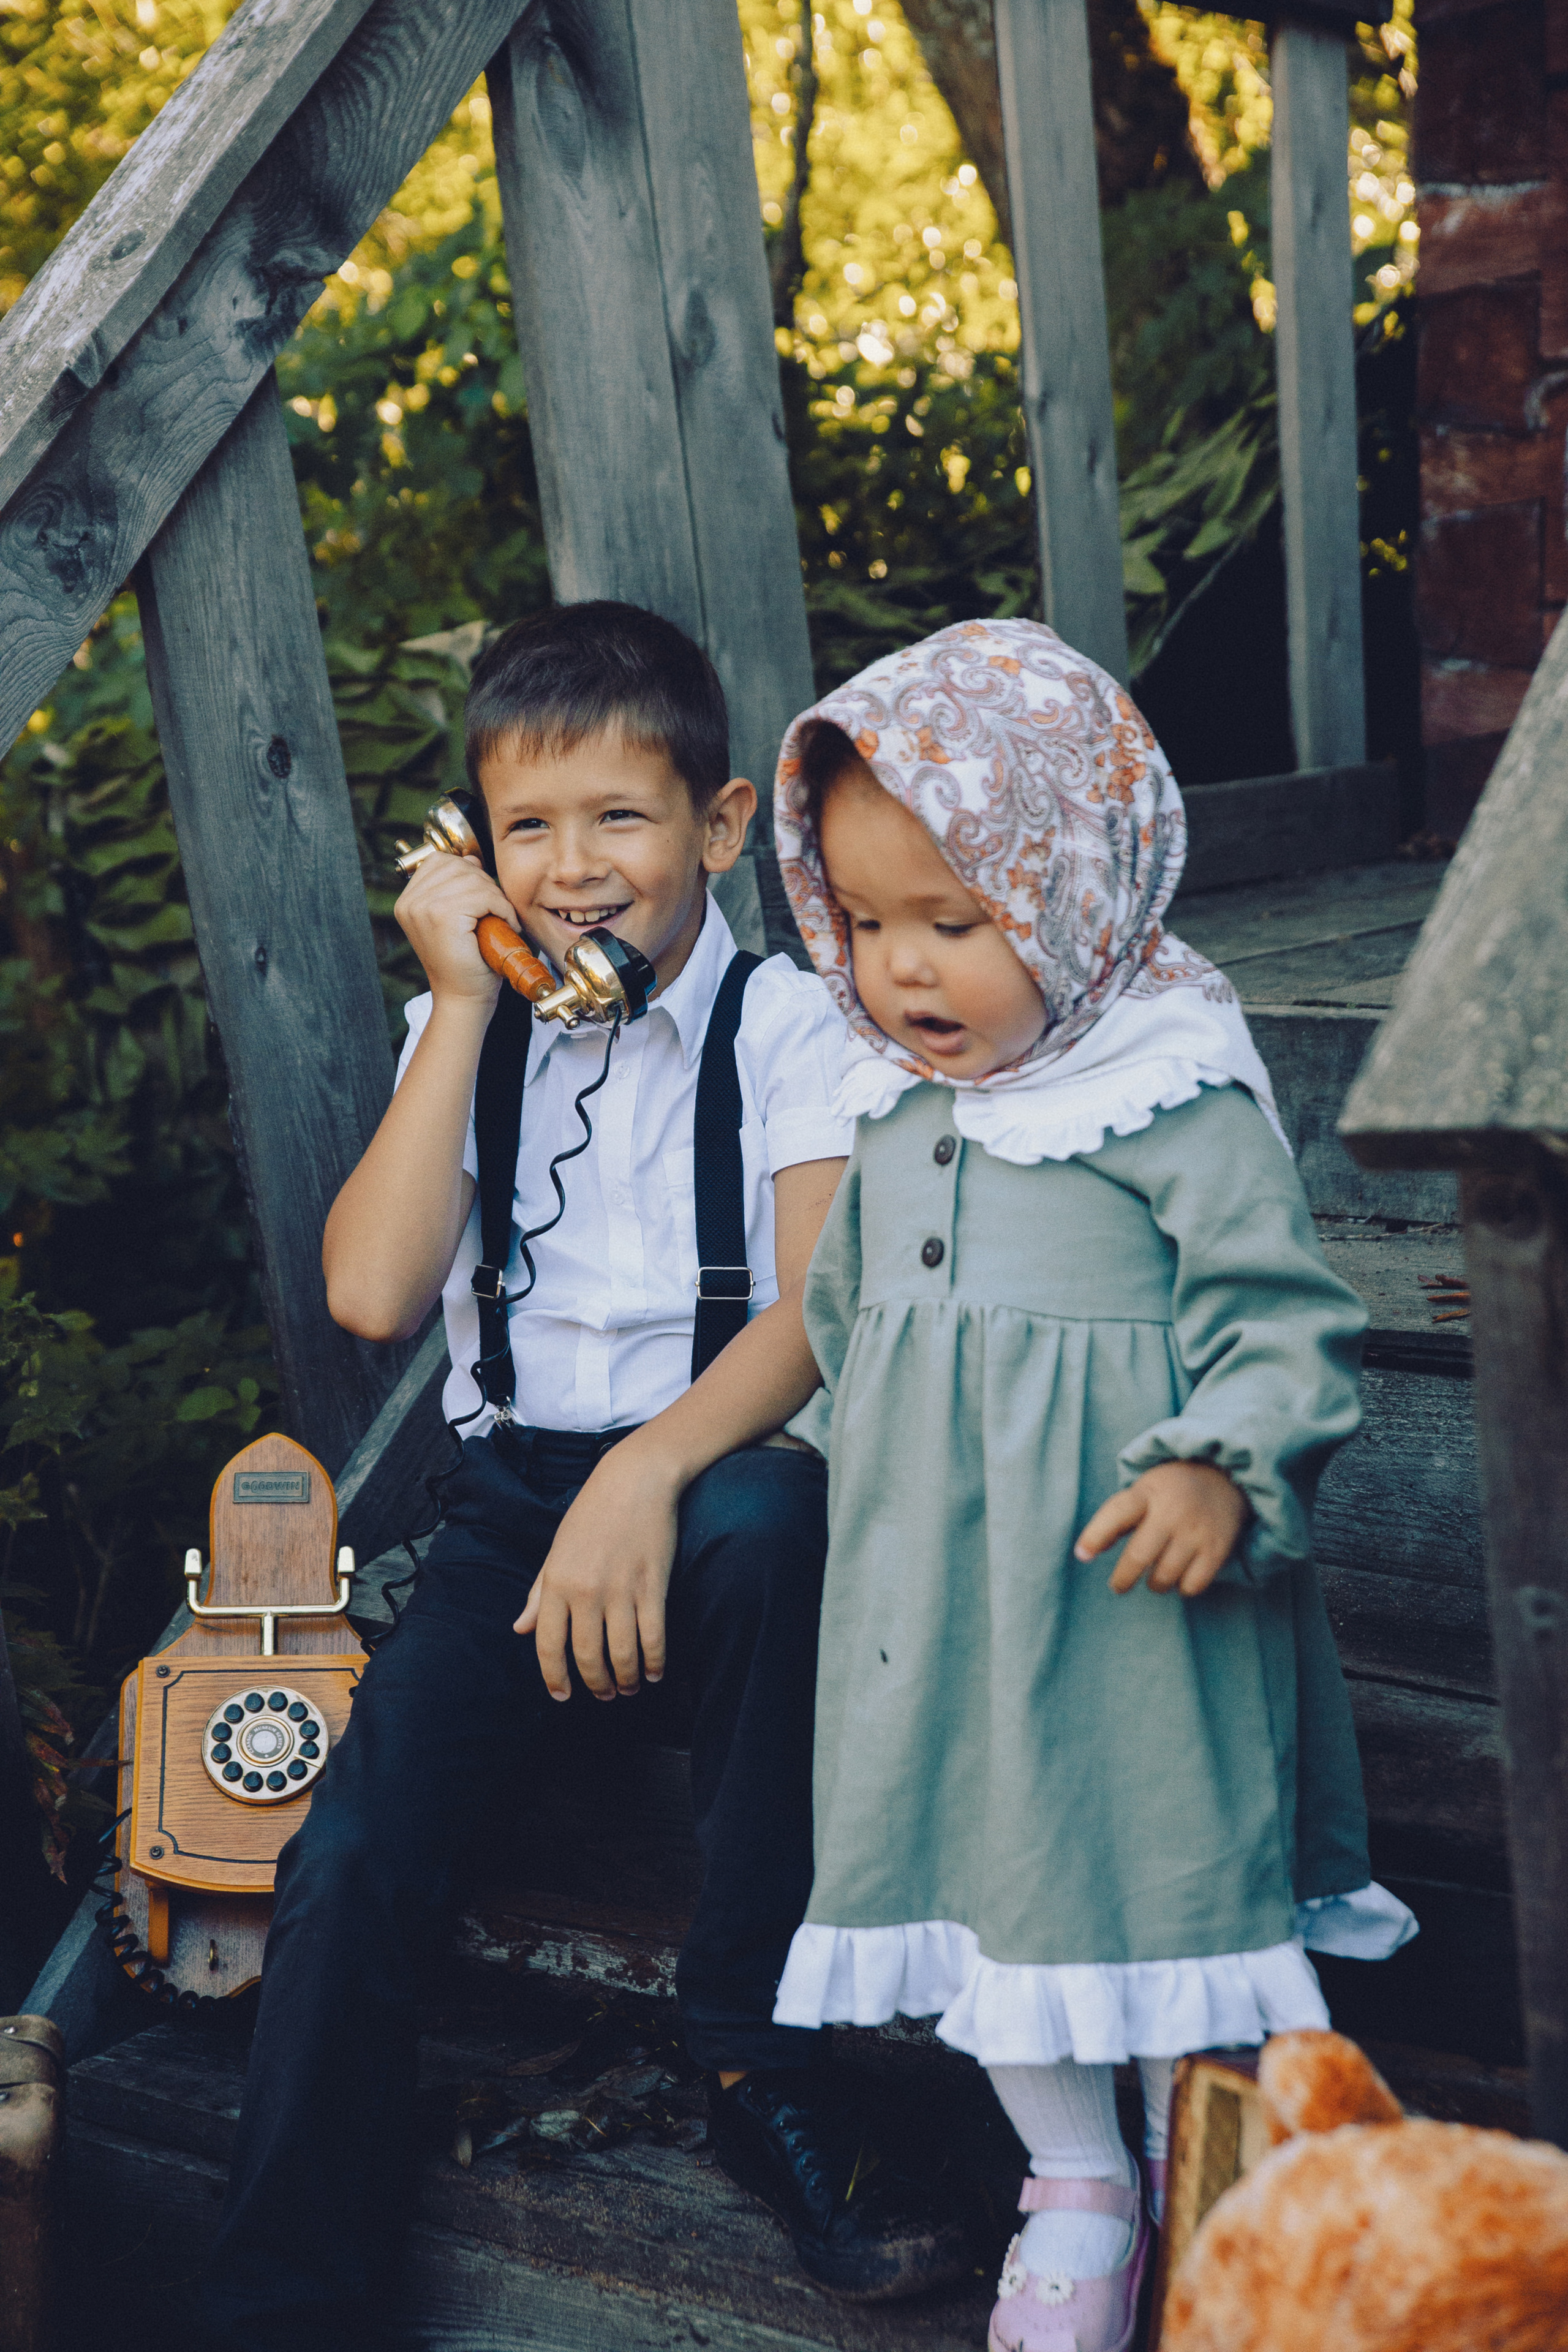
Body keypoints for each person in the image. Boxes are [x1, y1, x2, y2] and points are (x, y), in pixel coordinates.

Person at [201, 602, 967, 2352]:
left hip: (722, 1486)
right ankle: (279, 2303)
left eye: (618, 818)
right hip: (508, 1529)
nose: (575, 867)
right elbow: (372, 1293)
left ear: (711, 827)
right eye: (526, 829)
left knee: (778, 1526)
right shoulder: (463, 1029)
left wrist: (651, 1472)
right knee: (351, 1855)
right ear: (474, 852)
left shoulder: (794, 1026)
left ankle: (753, 2054)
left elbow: (822, 1310)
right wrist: (467, 997)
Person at [765, 620, 1419, 2352]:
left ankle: (1184, 2137)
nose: (904, 970)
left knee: (1148, 1873)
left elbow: (1284, 1324)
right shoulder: (890, 1105)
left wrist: (1222, 1460)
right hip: (936, 1608)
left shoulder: (1171, 1095)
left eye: (957, 925)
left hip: (1134, 1596)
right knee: (992, 1894)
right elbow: (854, 1328)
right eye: (871, 923)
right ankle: (1076, 2176)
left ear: (1076, 889)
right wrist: (846, 1478)